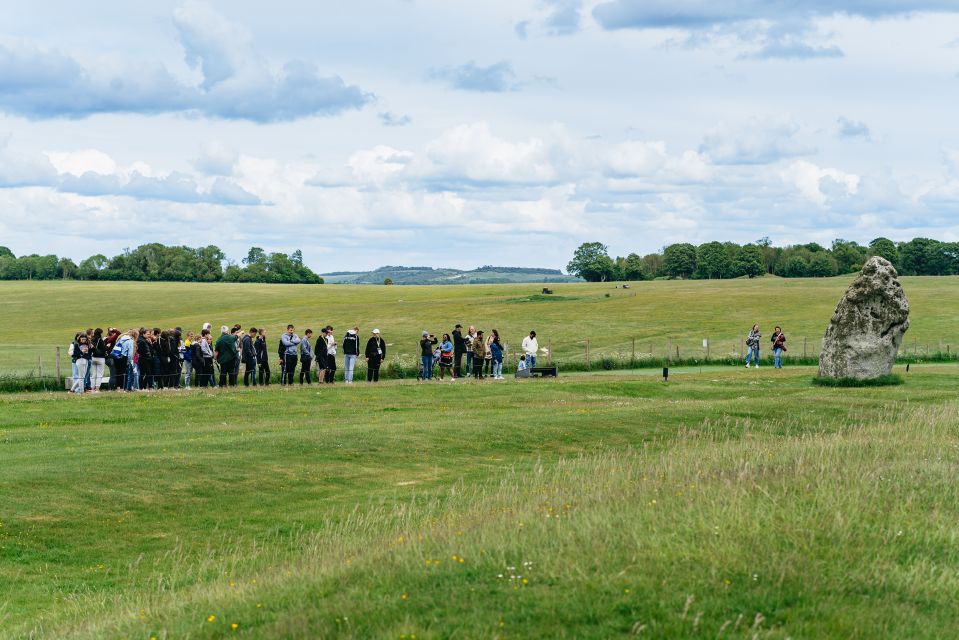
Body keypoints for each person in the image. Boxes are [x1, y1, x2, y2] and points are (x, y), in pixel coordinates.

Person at [90, 328, 107, 392]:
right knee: (99, 374)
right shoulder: (100, 340)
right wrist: (107, 346)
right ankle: (97, 389)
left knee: (94, 374)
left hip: (93, 357)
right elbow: (103, 349)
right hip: (100, 358)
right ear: (100, 333)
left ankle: (92, 388)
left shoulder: (92, 339)